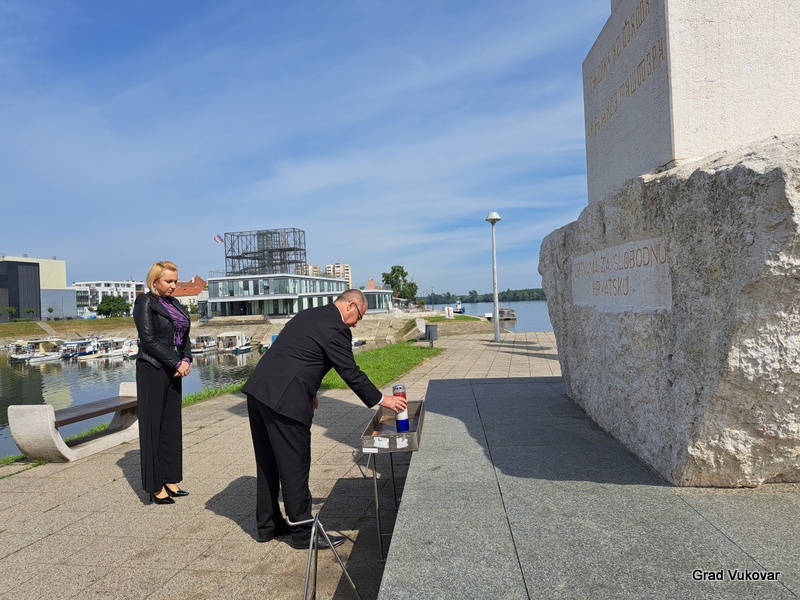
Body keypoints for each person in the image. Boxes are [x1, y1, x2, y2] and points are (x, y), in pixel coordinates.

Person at [243, 289, 408, 548]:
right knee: (295, 464)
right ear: (351, 305)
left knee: (268, 463)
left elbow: (298, 355)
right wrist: (381, 399)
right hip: (285, 402)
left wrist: (310, 392)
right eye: (359, 317)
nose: (356, 323)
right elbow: (349, 371)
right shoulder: (337, 328)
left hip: (259, 392)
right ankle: (302, 533)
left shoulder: (310, 315)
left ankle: (268, 525)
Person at [133, 261, 193, 505]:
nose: (173, 285)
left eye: (175, 281)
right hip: (152, 369)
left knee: (171, 427)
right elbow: (148, 340)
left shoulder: (175, 303)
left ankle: (170, 479)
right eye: (168, 281)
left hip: (174, 370)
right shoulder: (145, 302)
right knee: (153, 428)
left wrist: (186, 359)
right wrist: (176, 362)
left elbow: (185, 336)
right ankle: (154, 485)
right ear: (155, 281)